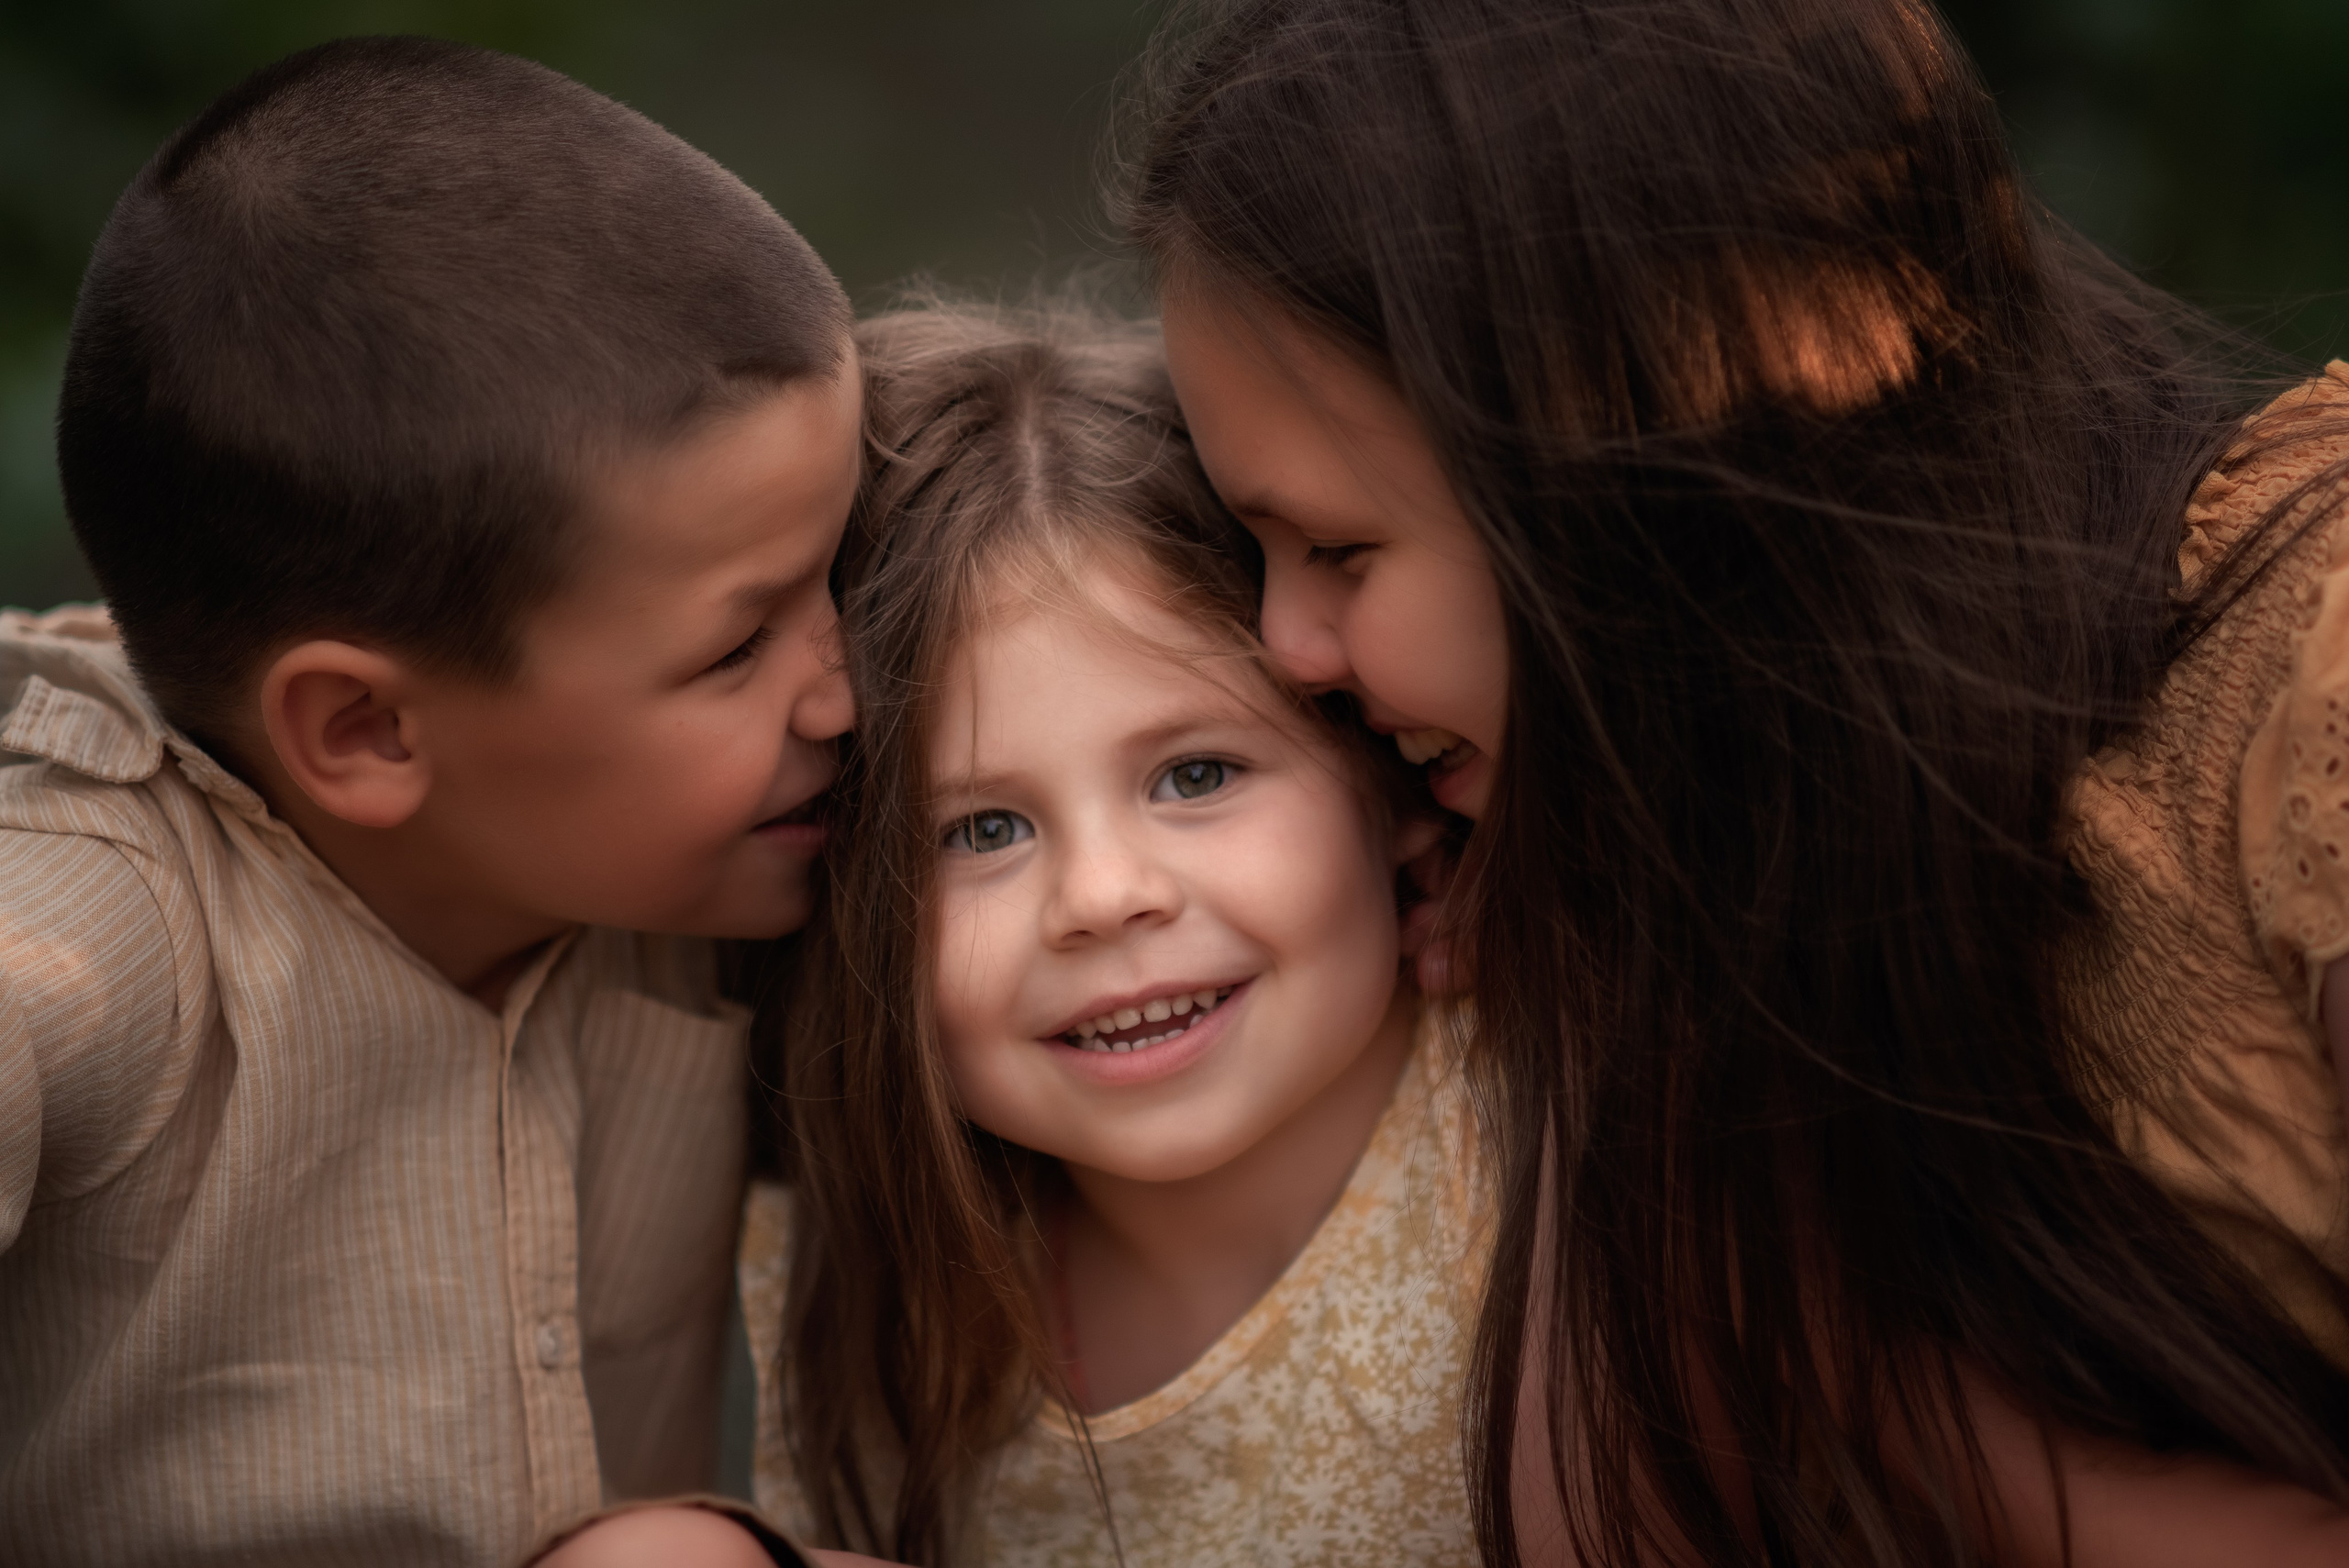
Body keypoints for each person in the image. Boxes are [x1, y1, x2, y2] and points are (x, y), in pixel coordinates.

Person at [1126, 0, 2349, 1563]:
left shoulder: (2306, 671)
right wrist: (1586, 970)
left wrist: (1898, 1394)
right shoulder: (1764, 872)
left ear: (1650, 475)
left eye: (1341, 550)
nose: (1291, 645)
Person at [0, 38, 855, 1567]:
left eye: (838, 580)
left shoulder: (692, 850)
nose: (845, 690)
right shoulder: (85, 935)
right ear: (366, 728)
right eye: (741, 643)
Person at [539, 300, 1486, 1568]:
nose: (1103, 895)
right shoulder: (889, 1292)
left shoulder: (1545, 1148)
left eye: (1197, 776)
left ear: (1392, 793)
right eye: (980, 831)